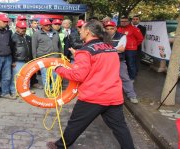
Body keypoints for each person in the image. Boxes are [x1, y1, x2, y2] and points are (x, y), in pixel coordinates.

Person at [47, 20, 135, 149]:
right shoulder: (110, 48)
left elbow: (78, 75)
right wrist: (78, 56)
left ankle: (60, 146)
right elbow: (99, 64)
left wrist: (58, 69)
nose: (80, 31)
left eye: (81, 29)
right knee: (120, 127)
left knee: (75, 124)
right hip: (113, 96)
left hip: (93, 97)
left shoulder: (86, 51)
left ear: (88, 31)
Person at [105, 21, 139, 103]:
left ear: (116, 28)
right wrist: (115, 49)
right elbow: (117, 49)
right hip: (106, 61)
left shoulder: (122, 36)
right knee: (105, 78)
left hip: (119, 60)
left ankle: (132, 95)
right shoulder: (102, 36)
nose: (109, 30)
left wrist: (106, 49)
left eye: (112, 28)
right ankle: (106, 95)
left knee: (124, 77)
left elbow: (121, 49)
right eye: (107, 29)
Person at [32, 18, 61, 86]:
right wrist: (35, 58)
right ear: (41, 25)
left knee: (55, 75)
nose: (48, 26)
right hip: (43, 58)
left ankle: (53, 91)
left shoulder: (55, 32)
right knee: (45, 76)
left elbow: (59, 46)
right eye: (46, 25)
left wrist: (61, 55)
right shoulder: (37, 34)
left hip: (55, 58)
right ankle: (48, 91)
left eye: (49, 24)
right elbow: (34, 47)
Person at [10, 21, 34, 95]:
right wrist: (12, 61)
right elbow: (11, 50)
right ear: (17, 28)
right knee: (16, 77)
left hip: (27, 60)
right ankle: (14, 91)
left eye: (24, 28)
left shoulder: (28, 37)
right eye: (21, 28)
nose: (23, 29)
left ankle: (26, 90)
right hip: (18, 60)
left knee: (27, 76)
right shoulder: (13, 37)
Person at [117, 16, 144, 81]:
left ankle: (132, 78)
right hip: (121, 50)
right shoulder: (119, 29)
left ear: (129, 22)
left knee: (131, 64)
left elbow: (140, 39)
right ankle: (123, 78)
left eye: (125, 21)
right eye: (122, 21)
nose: (123, 23)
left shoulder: (134, 29)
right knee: (122, 64)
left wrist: (133, 45)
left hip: (130, 50)